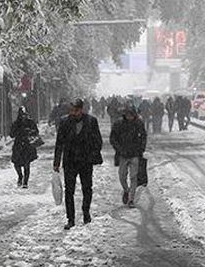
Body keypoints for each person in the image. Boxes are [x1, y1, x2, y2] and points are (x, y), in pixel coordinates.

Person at [54, 98, 103, 230]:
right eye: (71, 110)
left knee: (87, 188)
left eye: (75, 110)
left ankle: (86, 213)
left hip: (85, 161)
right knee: (69, 191)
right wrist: (56, 162)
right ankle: (71, 219)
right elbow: (59, 143)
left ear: (81, 109)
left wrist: (93, 154)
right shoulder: (64, 122)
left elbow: (98, 141)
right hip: (70, 161)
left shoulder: (91, 121)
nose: (73, 113)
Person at [109, 104, 147, 208]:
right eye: (128, 114)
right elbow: (113, 138)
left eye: (131, 115)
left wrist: (141, 149)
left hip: (135, 153)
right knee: (122, 176)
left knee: (133, 177)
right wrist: (119, 149)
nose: (129, 117)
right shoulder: (118, 124)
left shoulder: (138, 123)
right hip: (123, 154)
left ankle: (131, 199)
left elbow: (143, 136)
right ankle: (126, 190)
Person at [10, 106, 40, 188]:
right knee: (16, 164)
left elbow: (36, 131)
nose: (23, 116)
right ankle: (20, 176)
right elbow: (11, 134)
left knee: (27, 164)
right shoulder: (16, 123)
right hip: (18, 145)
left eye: (24, 114)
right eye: (21, 115)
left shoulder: (30, 122)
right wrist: (17, 131)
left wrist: (29, 131)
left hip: (27, 145)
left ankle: (25, 182)